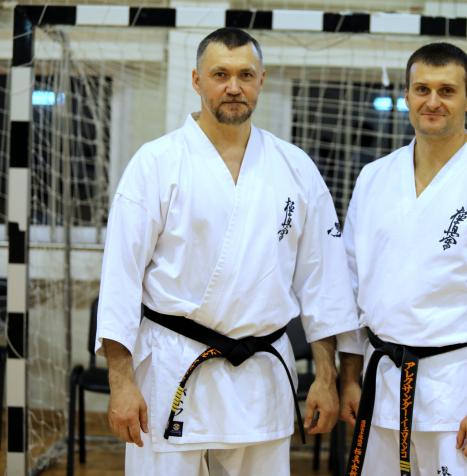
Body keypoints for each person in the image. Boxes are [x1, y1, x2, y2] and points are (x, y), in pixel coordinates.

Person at [96, 27, 359, 476]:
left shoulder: (296, 168)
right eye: (220, 74)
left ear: (261, 80)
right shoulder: (156, 163)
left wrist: (326, 375)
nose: (233, 87)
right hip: (172, 367)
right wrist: (121, 382)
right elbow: (120, 280)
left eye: (245, 75)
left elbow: (324, 282)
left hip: (260, 375)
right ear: (197, 80)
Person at [337, 42, 467, 476]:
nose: (432, 101)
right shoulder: (373, 178)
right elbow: (350, 283)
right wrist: (350, 376)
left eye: (447, 90)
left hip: (459, 394)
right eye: (422, 89)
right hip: (382, 385)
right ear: (406, 96)